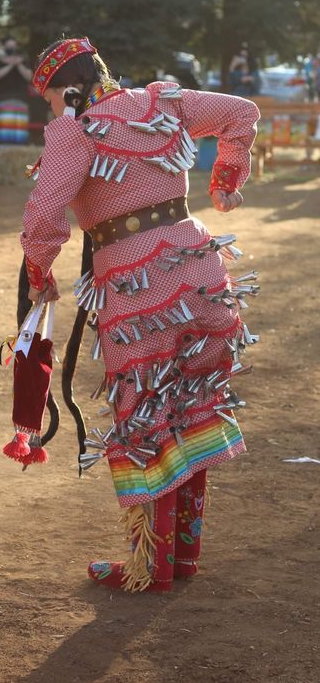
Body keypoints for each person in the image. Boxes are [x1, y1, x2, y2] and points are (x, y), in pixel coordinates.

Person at [18, 37, 260, 593]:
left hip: (135, 286)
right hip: (199, 270)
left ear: (66, 90)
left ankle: (150, 567)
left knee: (145, 416)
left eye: (52, 99)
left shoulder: (74, 130)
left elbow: (44, 214)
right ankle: (182, 558)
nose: (53, 110)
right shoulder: (163, 102)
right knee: (191, 403)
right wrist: (226, 180)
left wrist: (39, 274)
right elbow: (241, 112)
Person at [0, 36, 32, 145]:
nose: (11, 48)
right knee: (3, 129)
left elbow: (29, 76)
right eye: (9, 46)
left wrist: (18, 65)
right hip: (2, 99)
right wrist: (10, 65)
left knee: (19, 129)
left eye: (13, 46)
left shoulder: (23, 61)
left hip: (21, 99)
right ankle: (2, 148)